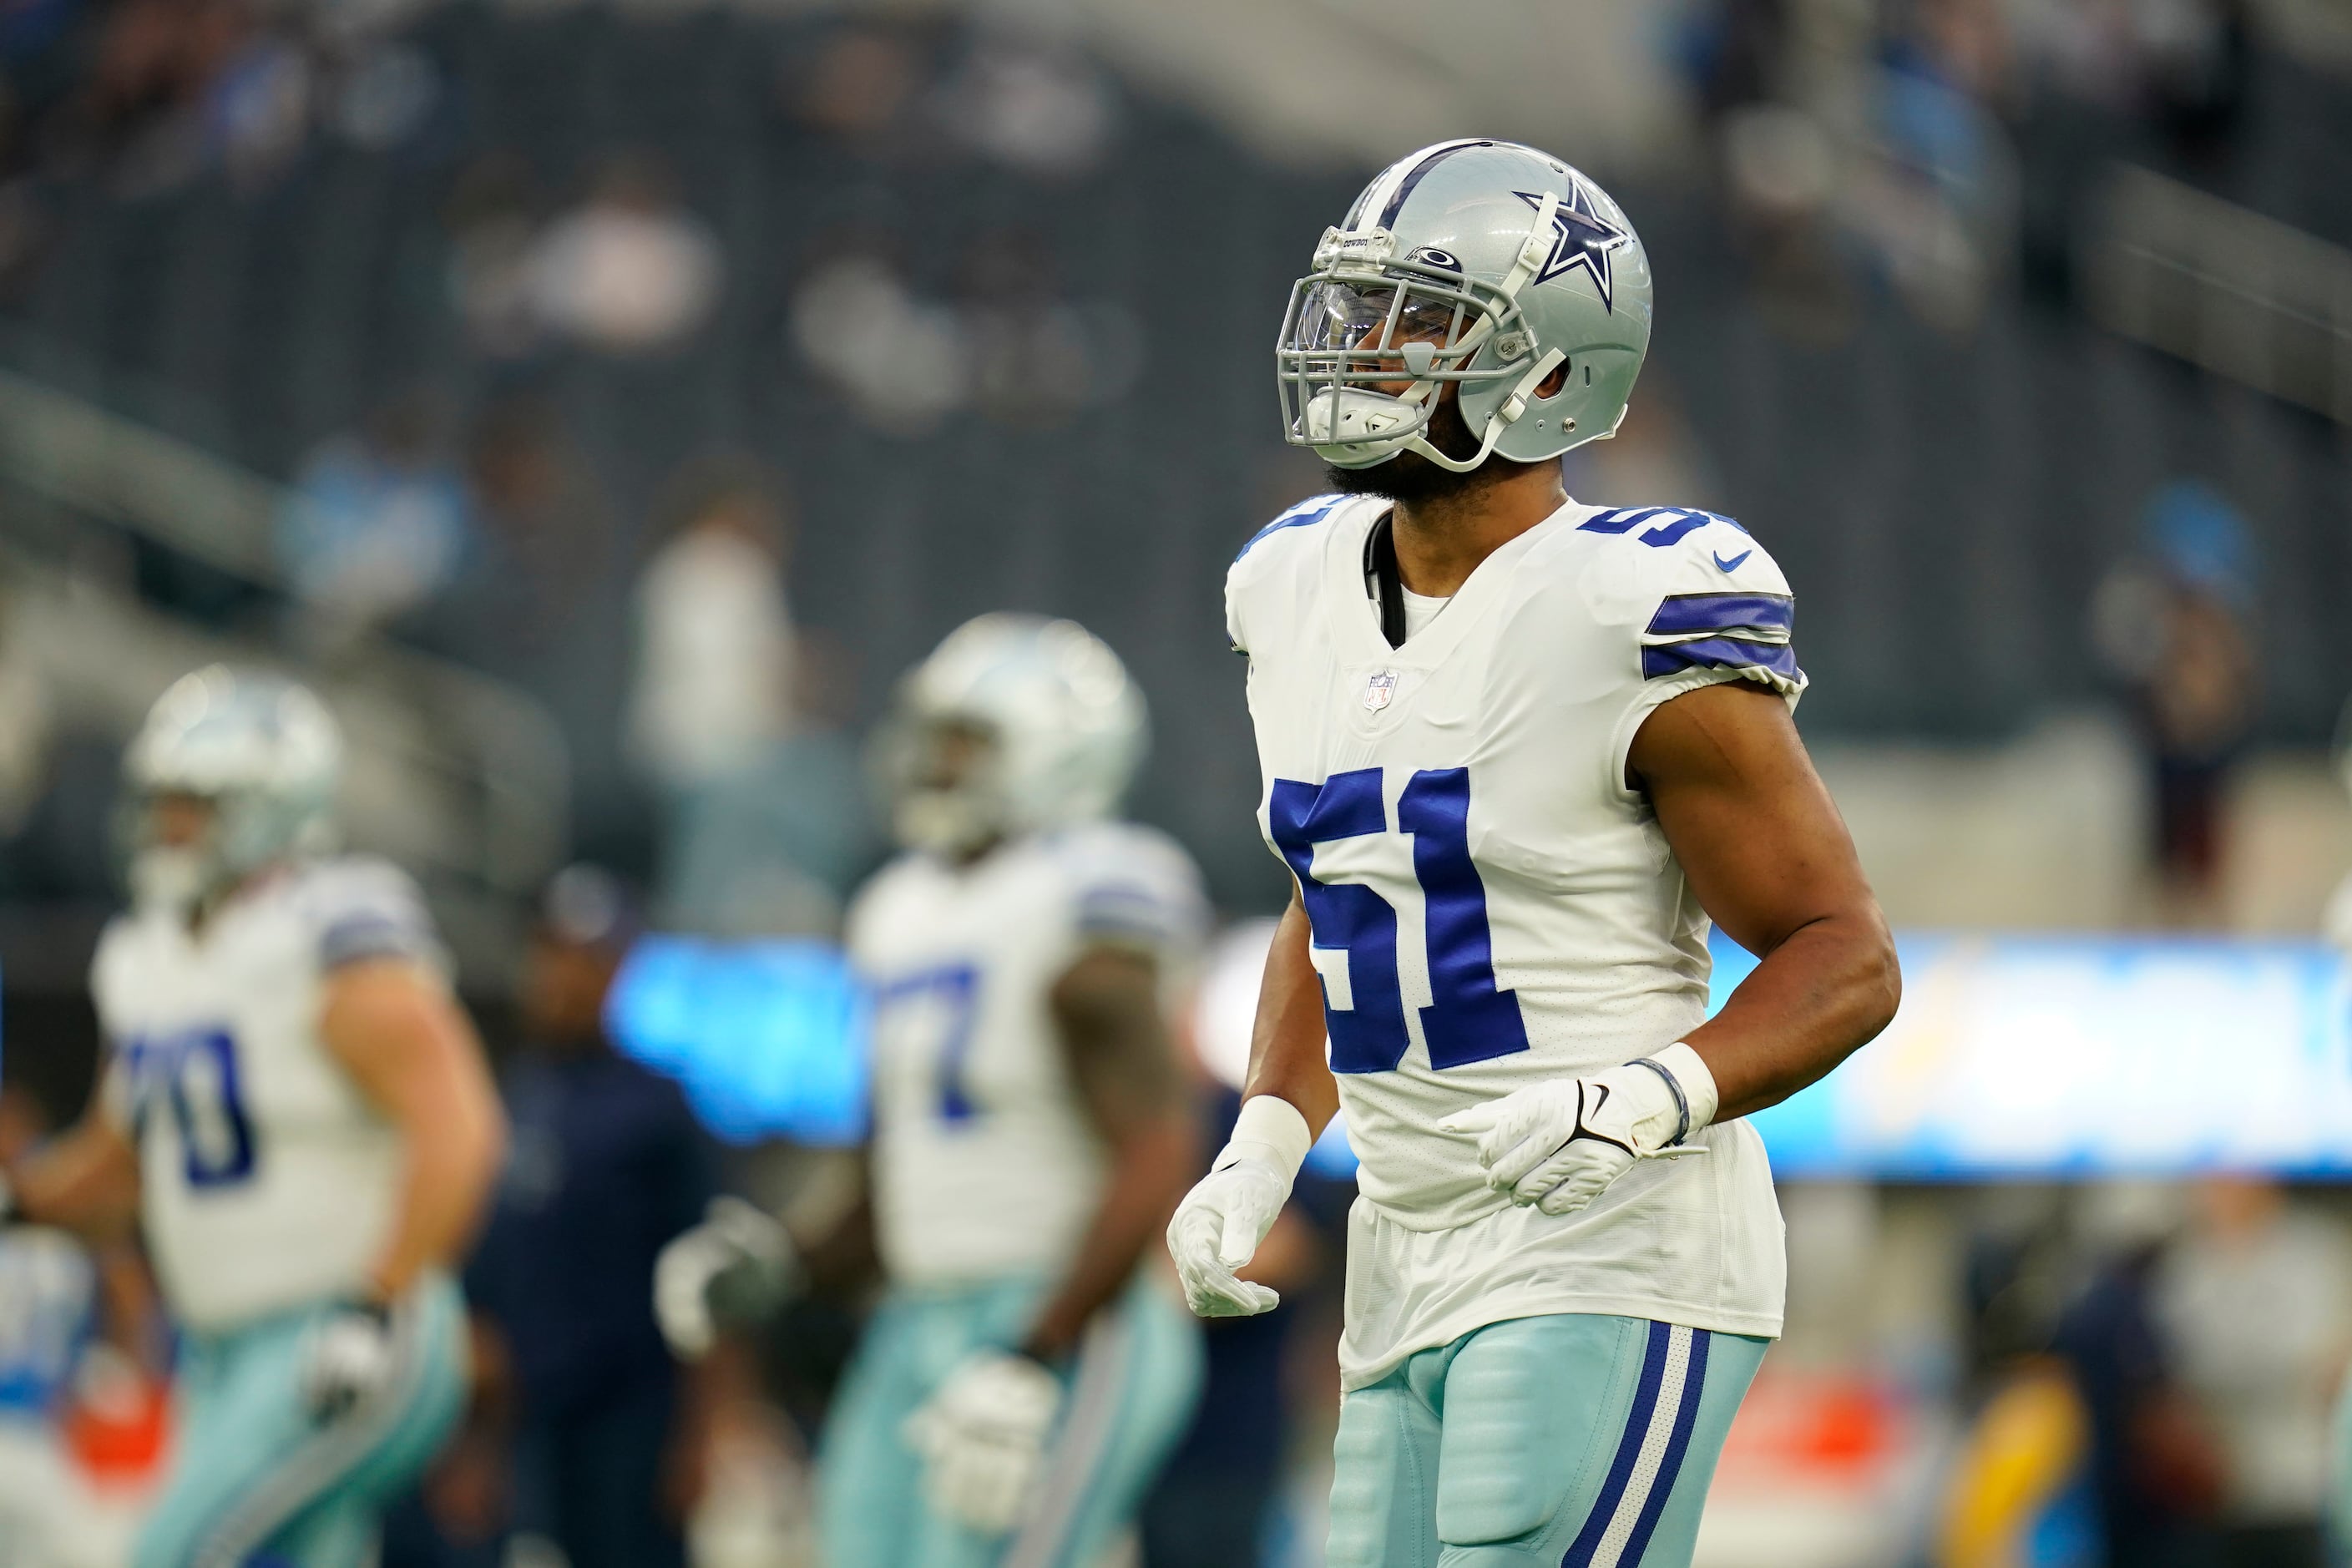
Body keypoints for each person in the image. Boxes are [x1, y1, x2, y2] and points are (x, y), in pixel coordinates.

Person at [1170, 139, 1901, 1568]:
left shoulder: (1625, 603)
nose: (1361, 350)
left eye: (1421, 322)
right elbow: (1343, 890)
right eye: (1359, 309)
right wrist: (1264, 1140)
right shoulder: (1295, 579)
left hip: (1607, 1247)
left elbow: (1845, 955)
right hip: (1402, 1250)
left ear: (1552, 369)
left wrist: (1648, 1095)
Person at [656, 613, 1208, 1566]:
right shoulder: (895, 911)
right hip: (918, 1318)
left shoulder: (1085, 894)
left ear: (1057, 753)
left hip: (1071, 1312)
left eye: (968, 741)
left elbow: (1161, 1148)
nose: (933, 762)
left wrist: (1038, 1349)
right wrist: (779, 1263)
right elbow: (894, 1187)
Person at [0, 665, 507, 1568]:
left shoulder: (331, 938)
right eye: (161, 799)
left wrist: (377, 1298)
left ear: (270, 806)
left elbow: (460, 1132)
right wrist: (19, 1204)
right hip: (223, 1348)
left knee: (172, 1553)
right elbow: (121, 1174)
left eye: (194, 801)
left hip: (342, 1323)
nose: (169, 824)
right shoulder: (147, 957)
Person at [435, 864, 721, 1568]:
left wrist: (705, 1431)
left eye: (585, 958)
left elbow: (708, 1279)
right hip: (530, 1413)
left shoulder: (659, 1106)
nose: (563, 976)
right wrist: (472, 1439)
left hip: (632, 1411)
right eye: (551, 954)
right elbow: (482, 1286)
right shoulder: (507, 1096)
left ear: (619, 969)